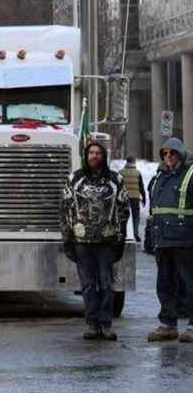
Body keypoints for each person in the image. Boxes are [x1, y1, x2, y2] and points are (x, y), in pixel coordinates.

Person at [60, 140, 129, 341]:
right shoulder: (74, 179)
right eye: (91, 153)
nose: (94, 156)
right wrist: (67, 239)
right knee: (88, 285)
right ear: (86, 156)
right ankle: (92, 324)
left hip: (106, 242)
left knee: (107, 284)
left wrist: (121, 239)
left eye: (98, 153)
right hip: (82, 242)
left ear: (104, 156)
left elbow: (123, 211)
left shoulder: (115, 180)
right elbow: (65, 210)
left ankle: (106, 325)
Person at [147, 138, 193, 343]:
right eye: (165, 154)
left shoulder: (190, 175)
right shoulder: (159, 177)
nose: (168, 158)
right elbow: (154, 210)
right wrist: (150, 236)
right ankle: (168, 324)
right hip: (163, 240)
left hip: (185, 240)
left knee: (189, 283)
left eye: (172, 154)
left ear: (180, 155)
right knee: (164, 284)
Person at [119, 156, 146, 242]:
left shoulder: (121, 172)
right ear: (134, 162)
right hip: (135, 197)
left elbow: (118, 186)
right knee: (135, 216)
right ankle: (136, 233)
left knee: (123, 216)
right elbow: (141, 187)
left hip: (124, 198)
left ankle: (123, 233)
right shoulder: (137, 173)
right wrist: (144, 197)